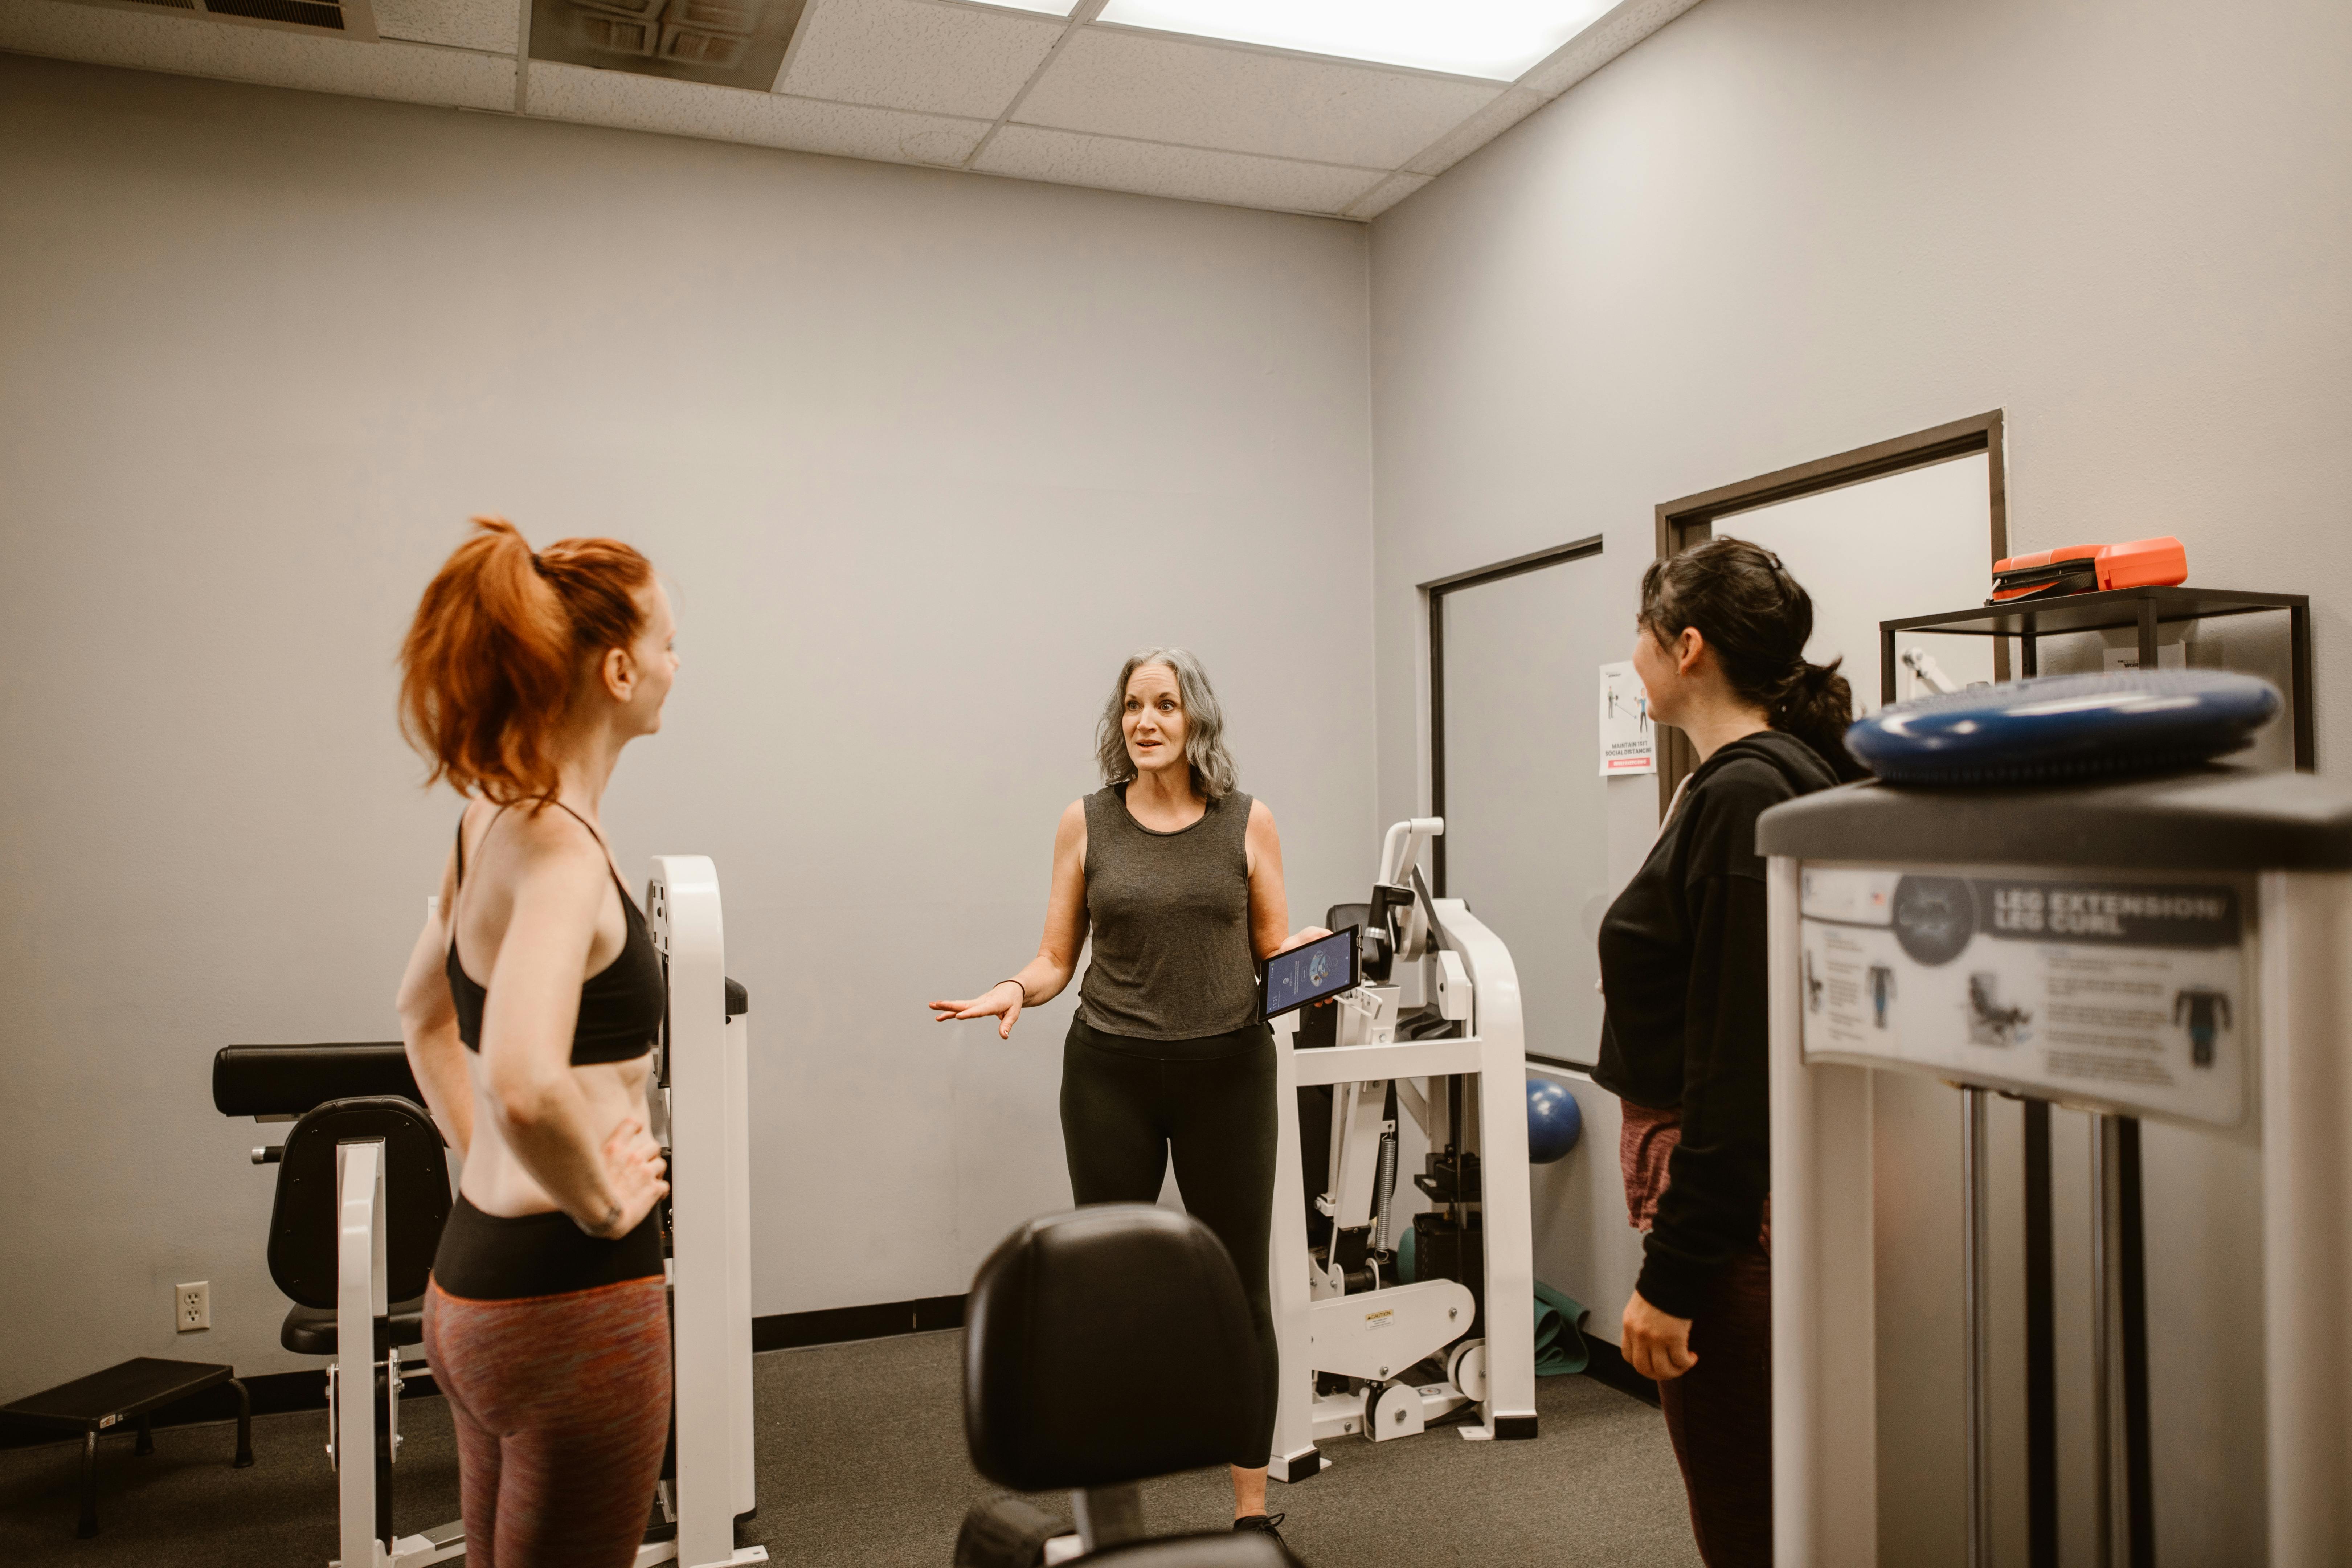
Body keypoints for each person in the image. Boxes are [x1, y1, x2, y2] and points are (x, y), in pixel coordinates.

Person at [930, 648, 1326, 1543]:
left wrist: (1308, 959)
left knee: (1241, 1293)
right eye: (1133, 707)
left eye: (1165, 705)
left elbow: (1269, 956)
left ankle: (1252, 1512)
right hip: (1109, 1070)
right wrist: (1013, 990)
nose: (1145, 721)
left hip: (1228, 1070)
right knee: (1104, 1287)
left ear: (1196, 722)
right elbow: (1054, 958)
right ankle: (1108, 1509)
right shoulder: (1085, 822)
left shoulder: (1246, 822)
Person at [393, 516, 679, 1568]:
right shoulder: (561, 850)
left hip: (472, 1284)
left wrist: (488, 1167)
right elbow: (521, 1075)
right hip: (574, 1304)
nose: (674, 664)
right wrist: (603, 1205)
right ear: (616, 669)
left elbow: (421, 1015)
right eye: (665, 643)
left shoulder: (488, 821)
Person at [1593, 537, 1861, 1568]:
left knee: (1751, 1512)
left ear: (1687, 647)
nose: (1635, 655)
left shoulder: (1747, 795)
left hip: (1726, 1218)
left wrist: (1674, 1274)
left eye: (1644, 634)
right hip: (1746, 1206)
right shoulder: (1769, 779)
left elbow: (1736, 1066)